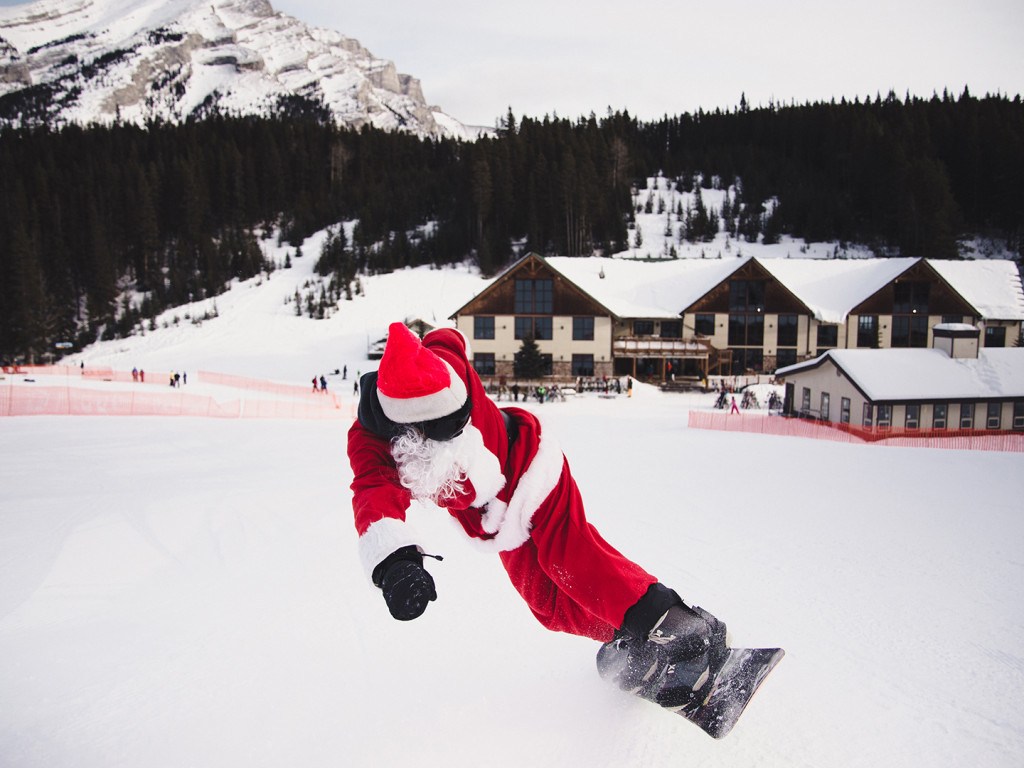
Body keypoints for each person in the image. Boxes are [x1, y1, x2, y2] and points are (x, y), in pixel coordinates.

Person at [347, 323, 729, 711]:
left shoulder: (443, 367)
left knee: (571, 561)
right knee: (547, 605)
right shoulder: (372, 438)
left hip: (530, 464)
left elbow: (447, 337)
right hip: (493, 517)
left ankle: (676, 627)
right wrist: (395, 562)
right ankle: (633, 633)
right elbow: (372, 491)